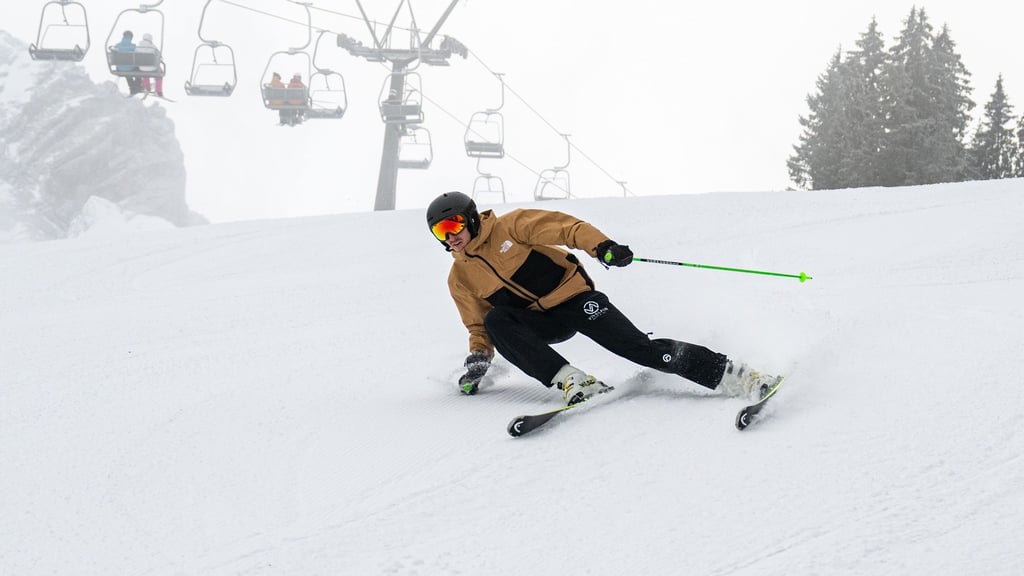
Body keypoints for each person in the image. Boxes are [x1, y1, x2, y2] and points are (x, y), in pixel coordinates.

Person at [425, 191, 777, 405]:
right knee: (495, 320)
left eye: (454, 224)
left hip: (574, 298)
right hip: (540, 322)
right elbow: (478, 326)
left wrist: (602, 247)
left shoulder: (511, 226)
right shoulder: (460, 278)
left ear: (471, 218)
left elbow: (566, 228)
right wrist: (478, 359)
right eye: (441, 231)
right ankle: (572, 381)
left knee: (638, 348)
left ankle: (739, 376)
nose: (450, 236)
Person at [113, 30, 141, 96]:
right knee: (138, 69)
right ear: (131, 37)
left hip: (120, 68)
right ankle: (138, 86)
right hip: (130, 68)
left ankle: (132, 89)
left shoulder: (117, 46)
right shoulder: (133, 46)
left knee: (127, 72)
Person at [136, 33, 163, 97]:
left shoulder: (138, 47)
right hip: (152, 68)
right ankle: (158, 91)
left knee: (145, 73)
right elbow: (159, 56)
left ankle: (147, 87)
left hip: (142, 68)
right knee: (160, 72)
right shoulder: (153, 47)